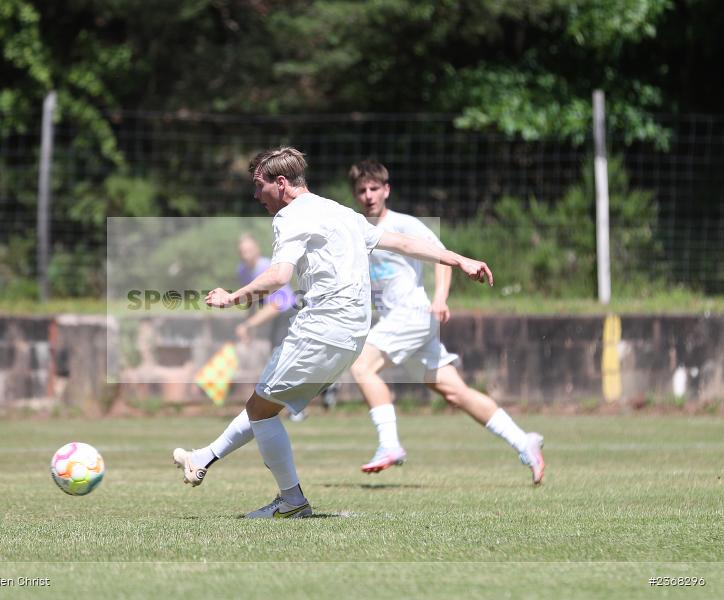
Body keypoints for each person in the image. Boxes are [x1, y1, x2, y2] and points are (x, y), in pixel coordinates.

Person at [173, 147, 493, 519]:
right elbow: (402, 243)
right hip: (352, 334)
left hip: (321, 327)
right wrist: (459, 258)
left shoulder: (290, 216)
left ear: (281, 183)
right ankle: (203, 458)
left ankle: (292, 502)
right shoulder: (339, 211)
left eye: (258, 186)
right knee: (265, 403)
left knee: (261, 411)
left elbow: (279, 276)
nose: (255, 195)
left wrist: (233, 297)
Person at [346, 159, 545, 484]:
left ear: (386, 190)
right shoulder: (358, 229)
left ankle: (389, 444)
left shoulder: (405, 224)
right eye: (361, 190)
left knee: (361, 367)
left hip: (412, 314)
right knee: (456, 393)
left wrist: (440, 298)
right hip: (405, 322)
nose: (368, 195)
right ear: (355, 195)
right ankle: (525, 442)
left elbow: (441, 257)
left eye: (374, 188)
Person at [235, 233, 338, 420]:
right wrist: (248, 326)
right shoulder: (242, 270)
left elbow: (277, 304)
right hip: (276, 318)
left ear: (257, 250)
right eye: (242, 252)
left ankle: (301, 406)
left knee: (284, 362)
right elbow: (251, 299)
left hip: (288, 313)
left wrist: (249, 325)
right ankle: (323, 385)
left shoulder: (265, 267)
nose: (246, 255)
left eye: (249, 251)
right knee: (284, 362)